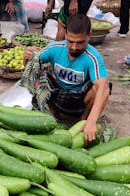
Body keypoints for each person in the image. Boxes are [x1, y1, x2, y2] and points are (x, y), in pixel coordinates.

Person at [22, 13, 110, 143]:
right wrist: (26, 56)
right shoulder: (55, 48)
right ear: (66, 34)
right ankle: (52, 113)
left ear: (89, 35)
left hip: (80, 100)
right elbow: (28, 71)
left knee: (104, 88)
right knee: (37, 73)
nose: (74, 47)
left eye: (80, 42)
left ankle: (83, 120)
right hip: (58, 96)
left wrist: (92, 121)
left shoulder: (92, 57)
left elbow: (103, 87)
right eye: (70, 41)